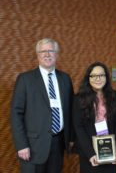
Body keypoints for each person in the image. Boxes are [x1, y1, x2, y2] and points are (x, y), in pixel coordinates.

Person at [10, 38, 74, 173]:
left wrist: (71, 138)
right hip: (33, 146)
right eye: (43, 51)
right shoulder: (25, 79)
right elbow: (16, 114)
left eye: (51, 51)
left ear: (56, 54)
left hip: (59, 142)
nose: (47, 54)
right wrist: (21, 145)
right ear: (37, 55)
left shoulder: (65, 79)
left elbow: (70, 110)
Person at [73, 62, 116, 173]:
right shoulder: (79, 99)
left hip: (110, 151)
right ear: (88, 78)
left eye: (101, 75)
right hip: (89, 153)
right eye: (94, 76)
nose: (98, 78)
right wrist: (90, 154)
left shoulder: (114, 95)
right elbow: (78, 128)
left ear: (106, 77)